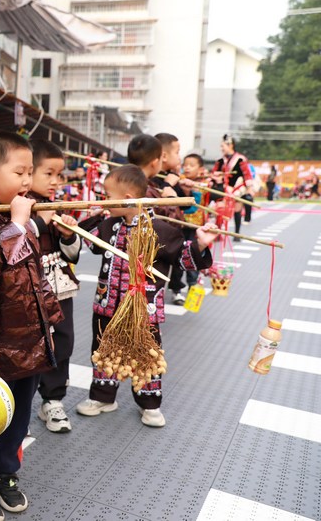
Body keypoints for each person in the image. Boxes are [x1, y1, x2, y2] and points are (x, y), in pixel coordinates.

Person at [0, 131, 63, 521]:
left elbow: (36, 276)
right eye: (20, 172)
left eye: (29, 172)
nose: (27, 181)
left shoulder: (26, 219)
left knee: (19, 413)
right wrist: (17, 227)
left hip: (30, 336)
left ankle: (7, 474)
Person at [76, 164, 217, 427]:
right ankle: (104, 397)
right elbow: (85, 239)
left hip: (144, 310)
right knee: (104, 351)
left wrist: (199, 244)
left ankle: (150, 404)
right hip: (108, 306)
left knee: (147, 354)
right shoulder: (109, 225)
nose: (105, 201)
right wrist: (92, 216)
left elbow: (184, 258)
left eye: (108, 196)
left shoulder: (160, 229)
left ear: (127, 198)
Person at [28, 139, 81, 433]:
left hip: (59, 287)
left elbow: (72, 255)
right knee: (28, 343)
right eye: (48, 174)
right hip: (27, 292)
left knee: (62, 340)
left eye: (58, 175)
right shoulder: (15, 205)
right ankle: (19, 404)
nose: (55, 181)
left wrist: (69, 235)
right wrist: (36, 220)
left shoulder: (59, 206)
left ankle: (53, 400)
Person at [132, 133, 186, 303]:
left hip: (139, 258)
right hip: (147, 258)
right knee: (145, 306)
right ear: (158, 159)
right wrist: (169, 195)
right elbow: (168, 223)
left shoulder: (144, 182)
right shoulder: (146, 188)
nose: (179, 157)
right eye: (177, 152)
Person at [212, 134, 254, 240]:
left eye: (223, 146)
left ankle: (236, 234)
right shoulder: (220, 160)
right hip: (223, 188)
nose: (221, 149)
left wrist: (249, 188)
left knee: (237, 209)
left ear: (230, 145)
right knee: (220, 209)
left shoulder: (240, 159)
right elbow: (214, 173)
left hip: (237, 188)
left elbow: (246, 174)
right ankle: (218, 233)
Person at [180, 154, 208, 289]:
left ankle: (192, 284)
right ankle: (176, 288)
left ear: (200, 168)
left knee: (193, 254)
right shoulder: (179, 182)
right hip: (179, 225)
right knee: (178, 253)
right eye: (185, 165)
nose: (187, 168)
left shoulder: (204, 185)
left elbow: (193, 207)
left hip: (195, 228)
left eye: (191, 165)